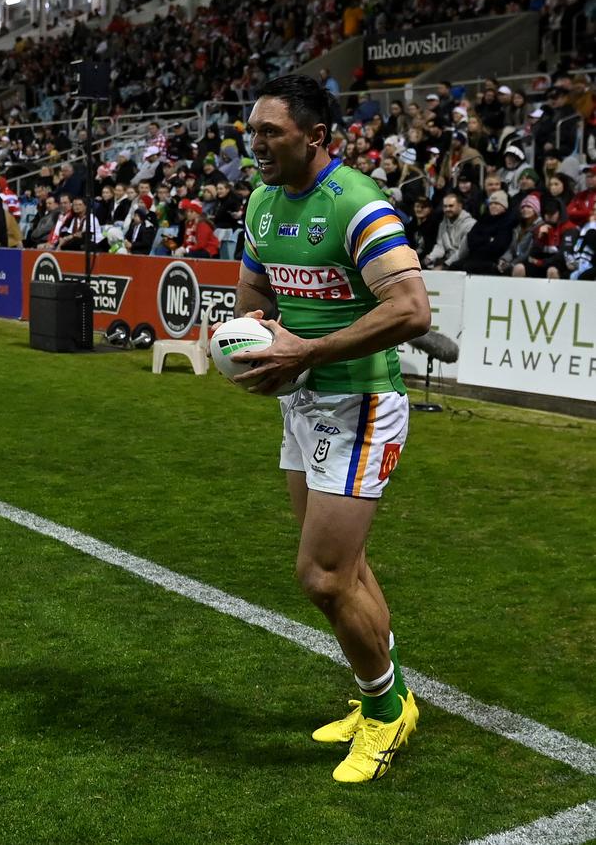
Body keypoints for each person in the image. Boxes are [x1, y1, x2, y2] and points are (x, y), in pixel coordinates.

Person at [229, 74, 430, 784]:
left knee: (320, 575)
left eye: (270, 133)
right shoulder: (259, 201)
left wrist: (308, 350)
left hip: (363, 402)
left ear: (315, 137)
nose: (255, 145)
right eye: (251, 131)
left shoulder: (357, 204)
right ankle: (390, 698)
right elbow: (254, 292)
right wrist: (250, 333)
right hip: (303, 402)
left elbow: (411, 309)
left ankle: (383, 716)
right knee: (345, 570)